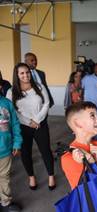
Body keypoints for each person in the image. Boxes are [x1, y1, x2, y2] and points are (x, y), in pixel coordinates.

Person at [6, 63, 55, 191]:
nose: (25, 75)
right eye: (22, 73)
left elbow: (46, 103)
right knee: (26, 153)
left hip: (40, 124)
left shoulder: (39, 86)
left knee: (46, 150)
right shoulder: (11, 91)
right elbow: (13, 111)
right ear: (17, 75)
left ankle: (51, 175)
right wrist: (29, 122)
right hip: (23, 127)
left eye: (27, 72)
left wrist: (37, 120)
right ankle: (31, 177)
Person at [61, 101, 97, 189]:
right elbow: (87, 192)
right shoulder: (68, 157)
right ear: (78, 123)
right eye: (92, 116)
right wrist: (88, 165)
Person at [0, 95, 22, 211]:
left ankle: (5, 202)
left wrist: (17, 143)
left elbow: (15, 124)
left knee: (4, 177)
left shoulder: (6, 103)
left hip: (4, 149)